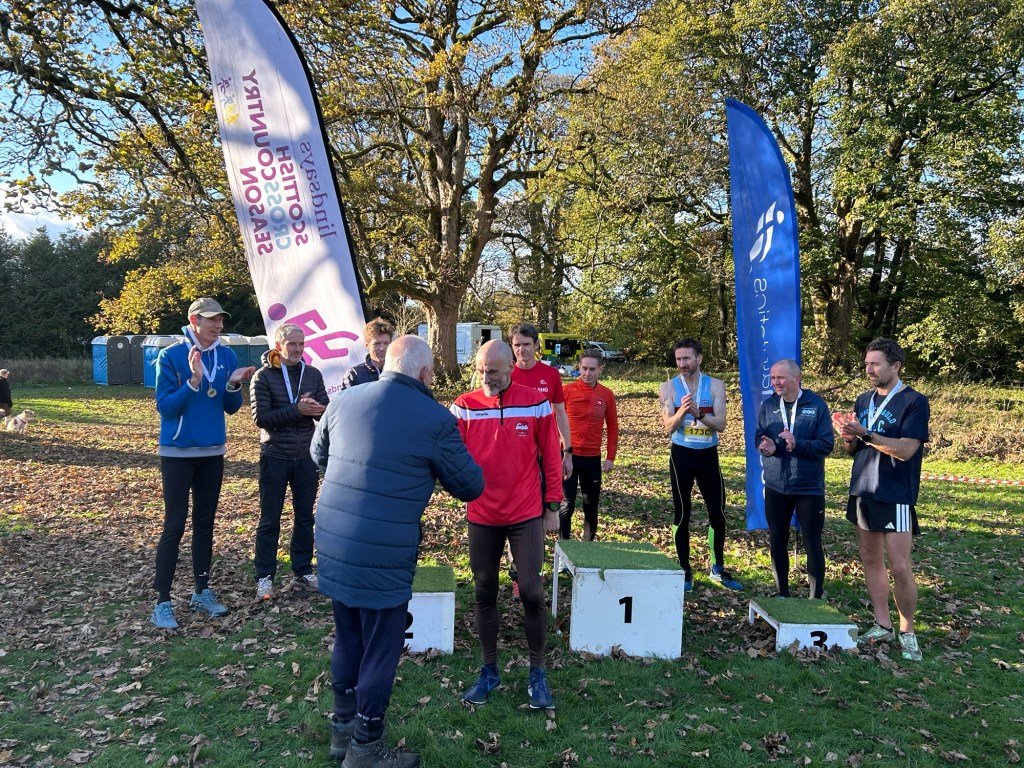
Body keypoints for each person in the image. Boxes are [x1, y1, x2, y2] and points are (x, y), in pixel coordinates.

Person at [312, 335, 483, 767]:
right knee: (381, 647)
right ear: (426, 373)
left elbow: (318, 455)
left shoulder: (343, 400)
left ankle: (342, 729)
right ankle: (366, 747)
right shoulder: (435, 418)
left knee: (348, 633)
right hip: (383, 549)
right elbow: (470, 485)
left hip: (333, 536)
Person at [451, 340, 562, 710]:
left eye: (494, 371)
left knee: (531, 591)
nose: (487, 378)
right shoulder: (464, 405)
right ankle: (489, 671)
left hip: (525, 512)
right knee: (484, 591)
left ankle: (537, 671)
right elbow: (451, 455)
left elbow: (552, 456)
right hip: (482, 514)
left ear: (511, 367)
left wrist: (552, 506)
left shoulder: (536, 402)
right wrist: (460, 488)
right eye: (481, 371)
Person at [151, 298, 256, 629]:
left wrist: (234, 383)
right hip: (178, 453)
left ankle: (201, 591)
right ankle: (162, 601)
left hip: (212, 452)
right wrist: (193, 381)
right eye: (212, 320)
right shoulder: (171, 356)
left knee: (205, 524)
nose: (218, 325)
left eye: (221, 320)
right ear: (194, 320)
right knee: (174, 525)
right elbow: (166, 408)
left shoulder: (227, 355)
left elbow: (230, 407)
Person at [836, 337, 930, 662]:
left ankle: (908, 631)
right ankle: (882, 624)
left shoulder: (914, 401)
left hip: (895, 493)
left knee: (900, 566)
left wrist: (865, 433)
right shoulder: (864, 400)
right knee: (871, 559)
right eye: (866, 364)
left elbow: (905, 450)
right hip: (863, 489)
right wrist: (849, 437)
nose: (869, 369)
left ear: (895, 366)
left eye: (875, 364)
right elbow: (853, 450)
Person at [250, 323, 329, 601]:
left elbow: (325, 410)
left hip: (306, 455)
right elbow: (261, 418)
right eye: (292, 344)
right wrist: (297, 409)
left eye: (301, 344)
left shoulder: (313, 374)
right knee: (269, 518)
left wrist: (317, 409)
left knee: (305, 516)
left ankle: (303, 570)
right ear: (278, 346)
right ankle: (264, 576)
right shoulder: (263, 376)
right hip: (275, 454)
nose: (297, 349)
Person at [658, 338, 743, 592]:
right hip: (681, 456)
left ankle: (718, 568)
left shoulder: (715, 385)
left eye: (686, 358)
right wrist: (681, 412)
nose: (681, 364)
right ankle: (685, 569)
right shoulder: (668, 388)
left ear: (699, 359)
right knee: (682, 513)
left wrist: (699, 414)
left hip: (708, 455)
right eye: (678, 359)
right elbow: (667, 427)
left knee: (717, 513)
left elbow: (721, 425)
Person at [755, 359, 834, 598]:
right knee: (777, 539)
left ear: (796, 379)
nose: (775, 382)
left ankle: (816, 598)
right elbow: (760, 435)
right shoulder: (769, 405)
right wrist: (767, 447)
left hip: (808, 487)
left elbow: (826, 444)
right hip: (776, 485)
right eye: (773, 378)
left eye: (780, 377)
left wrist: (798, 444)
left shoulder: (816, 405)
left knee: (812, 541)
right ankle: (782, 593)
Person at [506, 322, 572, 594]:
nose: (521, 350)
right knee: (514, 515)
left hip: (546, 456)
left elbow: (560, 413)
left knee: (541, 516)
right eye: (516, 345)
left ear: (536, 346)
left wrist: (568, 451)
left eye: (526, 344)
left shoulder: (550, 375)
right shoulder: (506, 373)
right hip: (514, 458)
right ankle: (516, 574)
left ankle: (536, 570)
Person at [559, 348, 619, 541]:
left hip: (592, 458)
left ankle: (587, 547)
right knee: (566, 505)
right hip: (568, 456)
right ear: (579, 367)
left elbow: (613, 427)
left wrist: (610, 457)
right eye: (584, 368)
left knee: (590, 506)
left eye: (592, 369)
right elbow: (553, 422)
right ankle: (564, 548)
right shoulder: (566, 391)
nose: (587, 373)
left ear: (600, 369)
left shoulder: (606, 394)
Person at [341, 318, 395, 389]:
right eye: (377, 344)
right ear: (367, 345)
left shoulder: (399, 371)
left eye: (386, 343)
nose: (382, 348)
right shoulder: (354, 375)